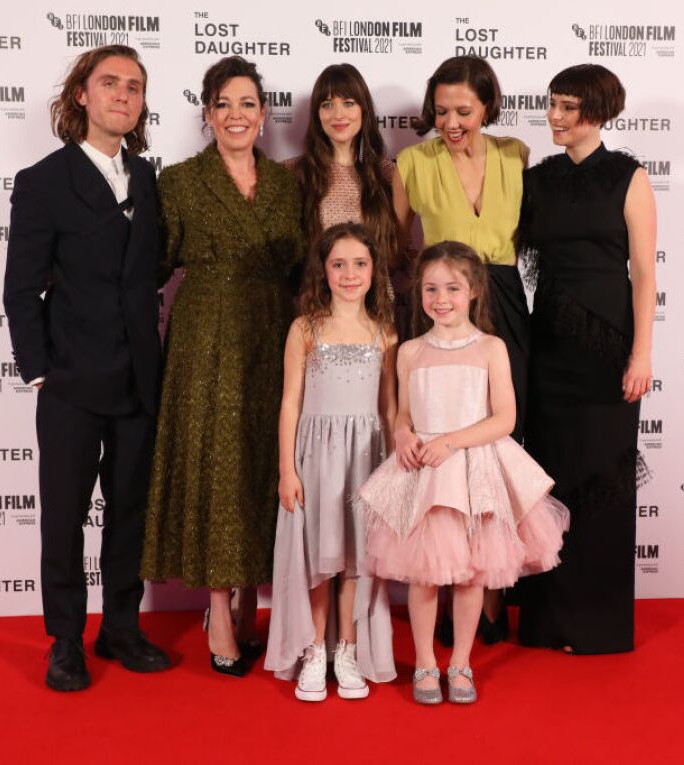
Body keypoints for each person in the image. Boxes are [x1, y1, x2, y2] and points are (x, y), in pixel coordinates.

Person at [3, 45, 171, 692]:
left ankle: (121, 625)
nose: (122, 96)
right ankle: (66, 638)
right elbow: (21, 289)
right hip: (71, 381)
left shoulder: (150, 178)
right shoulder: (43, 181)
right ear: (83, 95)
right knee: (64, 515)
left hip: (137, 377)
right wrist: (40, 371)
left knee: (128, 509)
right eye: (110, 84)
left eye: (134, 87)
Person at [140, 56, 304, 676]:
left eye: (248, 104)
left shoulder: (287, 184)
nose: (237, 115)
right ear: (208, 115)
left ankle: (245, 603)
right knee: (217, 464)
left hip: (272, 331)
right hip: (205, 336)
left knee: (262, 461)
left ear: (263, 116)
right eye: (224, 104)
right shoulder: (178, 182)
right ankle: (217, 612)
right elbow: (150, 269)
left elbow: (300, 271)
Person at [357, 242, 570, 705]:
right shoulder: (409, 351)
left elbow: (504, 420)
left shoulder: (491, 347)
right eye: (431, 288)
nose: (441, 298)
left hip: (473, 470)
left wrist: (450, 443)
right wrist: (403, 435)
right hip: (425, 475)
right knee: (424, 574)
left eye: (452, 288)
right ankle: (426, 666)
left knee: (471, 573)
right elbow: (404, 414)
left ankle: (461, 664)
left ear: (473, 290)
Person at [516, 65, 656, 655]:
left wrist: (641, 353)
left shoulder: (629, 176)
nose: (554, 115)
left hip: (608, 352)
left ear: (597, 112)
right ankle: (548, 623)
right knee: (549, 482)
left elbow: (645, 274)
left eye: (567, 107)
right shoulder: (537, 180)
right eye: (552, 104)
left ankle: (598, 624)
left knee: (604, 481)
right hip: (547, 347)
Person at [394, 55, 529, 642]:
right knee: (443, 448)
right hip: (444, 299)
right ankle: (444, 589)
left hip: (503, 295)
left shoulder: (515, 155)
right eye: (442, 110)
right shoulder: (411, 162)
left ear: (487, 107)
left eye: (464, 111)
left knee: (499, 447)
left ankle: (491, 601)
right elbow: (401, 245)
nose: (451, 122)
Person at [265, 223, 397, 701]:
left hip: (366, 457)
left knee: (355, 557)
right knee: (319, 557)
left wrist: (393, 466)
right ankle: (314, 649)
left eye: (359, 264)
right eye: (338, 263)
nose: (349, 273)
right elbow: (289, 404)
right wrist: (287, 468)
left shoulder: (384, 332)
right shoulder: (305, 327)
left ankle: (349, 648)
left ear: (374, 270)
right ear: (323, 270)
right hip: (316, 457)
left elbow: (389, 408)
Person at [288, 64, 398, 265]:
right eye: (327, 104)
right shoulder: (294, 173)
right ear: (317, 114)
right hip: (316, 293)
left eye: (348, 103)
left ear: (364, 110)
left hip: (377, 294)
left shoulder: (388, 174)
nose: (338, 115)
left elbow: (401, 254)